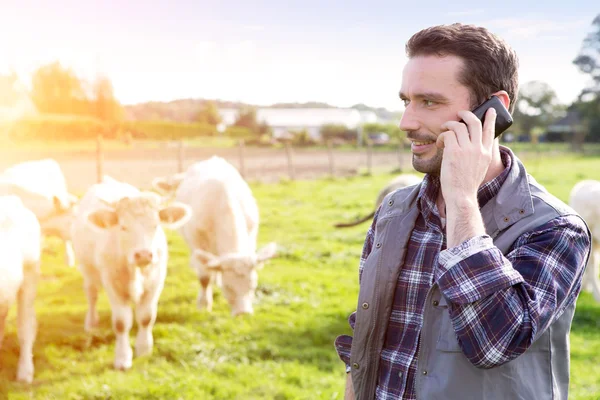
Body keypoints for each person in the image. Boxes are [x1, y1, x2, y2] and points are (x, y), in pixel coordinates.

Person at [334, 23, 592, 400]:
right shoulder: (393, 210)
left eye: (430, 102)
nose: (406, 122)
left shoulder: (555, 228)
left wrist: (461, 202)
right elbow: (366, 340)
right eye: (406, 101)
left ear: (493, 111)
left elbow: (495, 343)